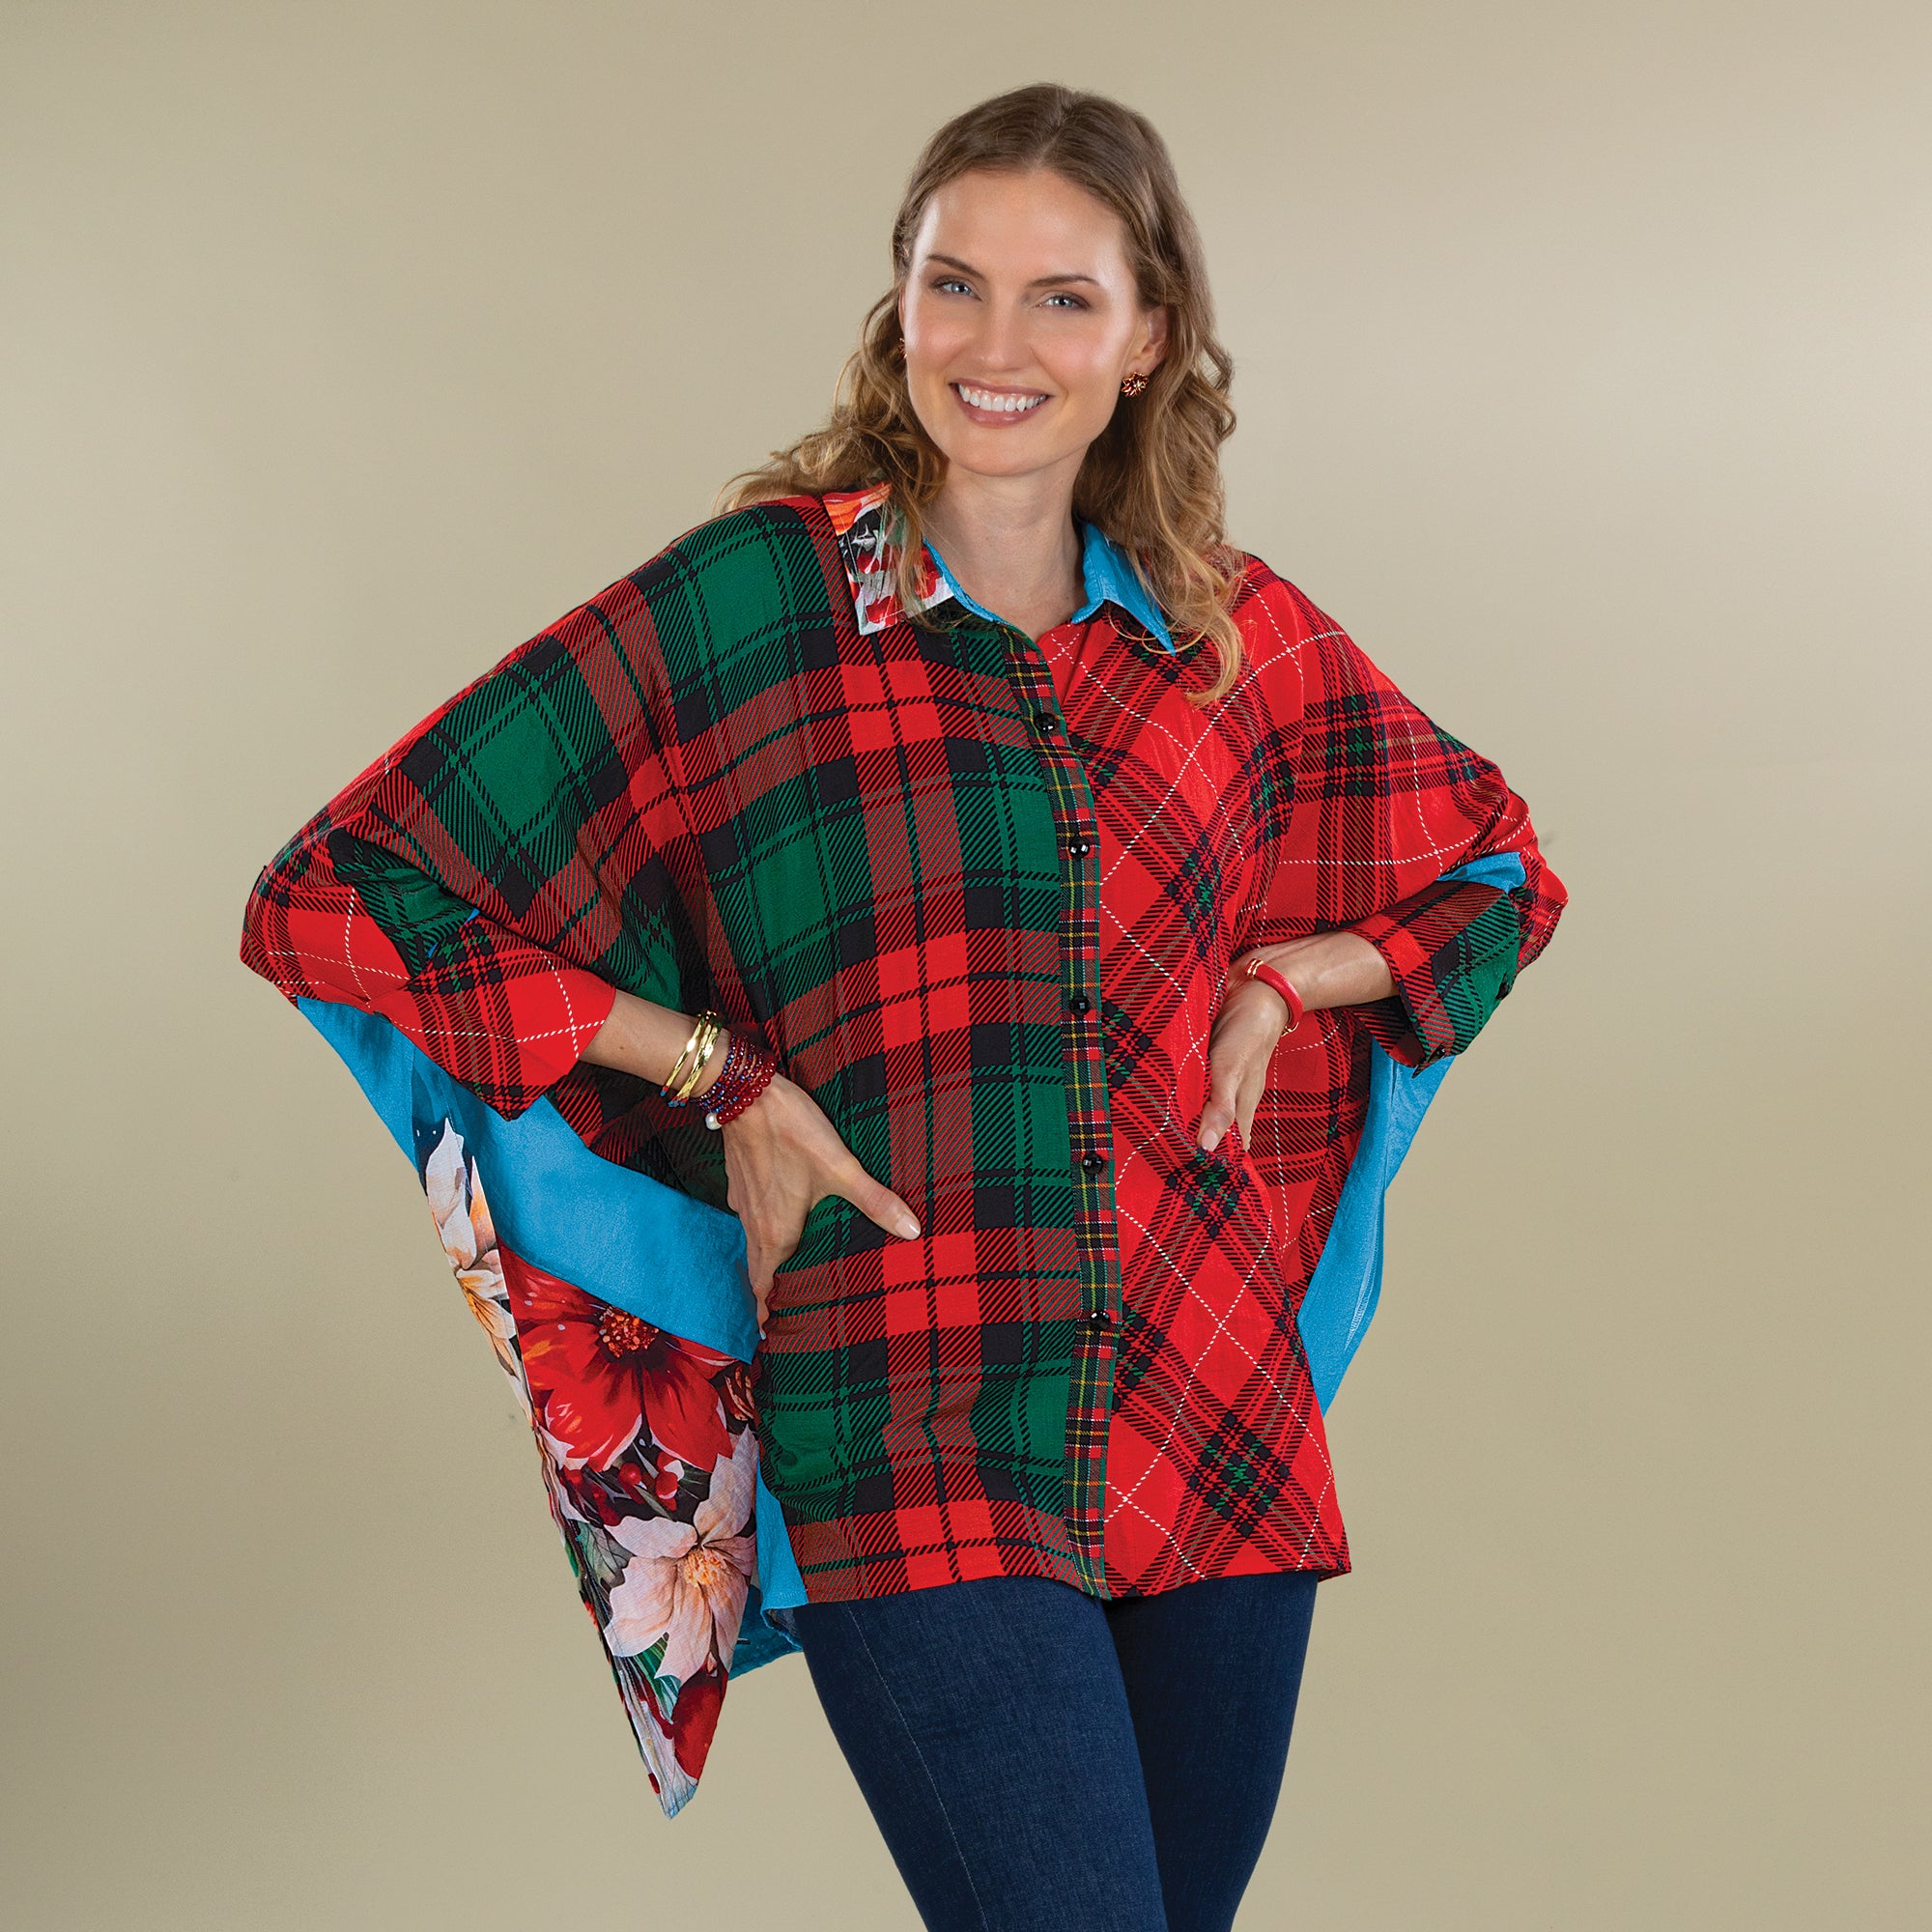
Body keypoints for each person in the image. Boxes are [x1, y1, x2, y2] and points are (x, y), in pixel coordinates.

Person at [241, 81, 1566, 1932]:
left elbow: (1495, 876)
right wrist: (718, 1074)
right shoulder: (762, 602)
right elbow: (336, 889)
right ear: (902, 304)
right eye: (956, 285)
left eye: (1061, 299)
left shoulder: (1230, 636)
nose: (995, 346)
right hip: (914, 1413)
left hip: (1216, 1420)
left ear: (1148, 338)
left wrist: (1289, 977)